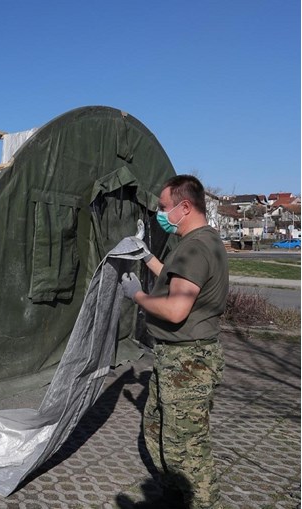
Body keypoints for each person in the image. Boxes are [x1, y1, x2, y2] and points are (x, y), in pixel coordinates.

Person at [120, 175, 228, 508]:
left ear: (184, 207)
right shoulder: (204, 241)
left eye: (164, 207)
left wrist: (137, 295)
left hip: (187, 361)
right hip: (179, 358)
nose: (160, 214)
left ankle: (202, 503)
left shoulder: (194, 247)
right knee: (157, 429)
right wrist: (147, 256)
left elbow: (176, 308)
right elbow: (178, 278)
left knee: (187, 450)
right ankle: (174, 499)